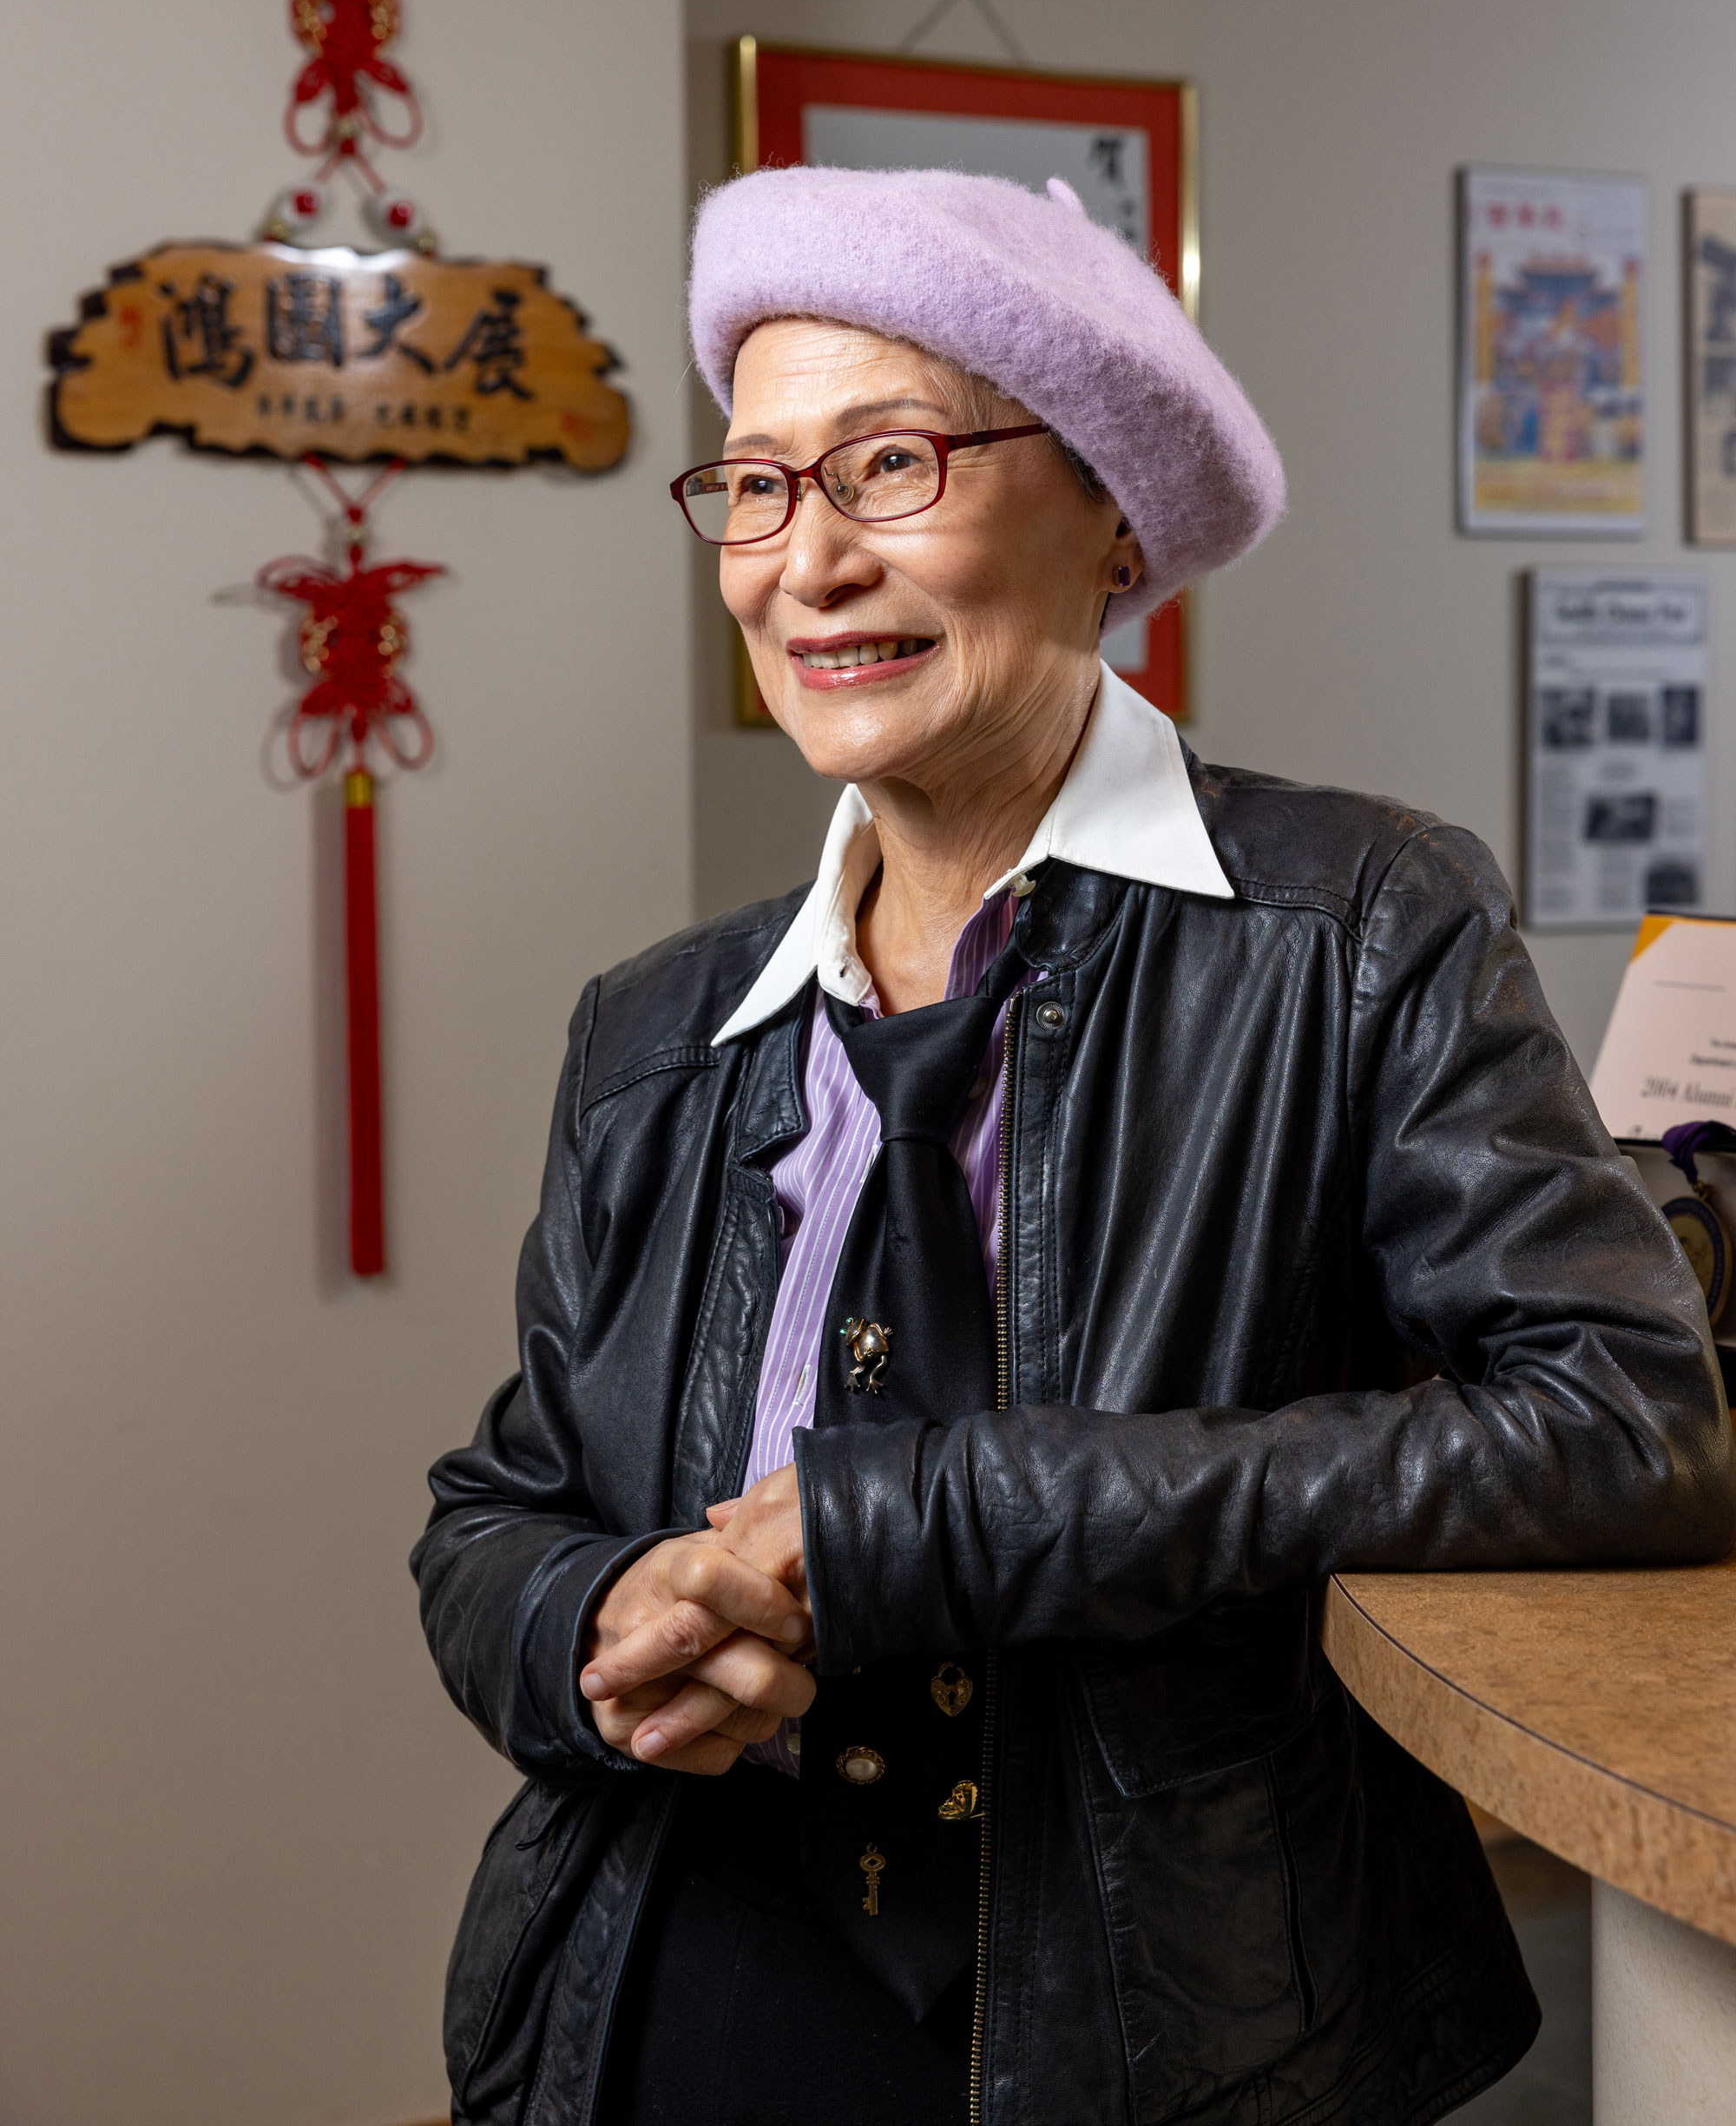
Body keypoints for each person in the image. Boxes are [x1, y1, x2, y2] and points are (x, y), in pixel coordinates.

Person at [412, 167, 1733, 2126]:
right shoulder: (655, 1029)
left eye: (888, 465)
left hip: (1162, 2005)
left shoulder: (1360, 921)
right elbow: (497, 1506)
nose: (808, 559)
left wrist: (941, 1517)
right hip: (671, 1979)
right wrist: (581, 1623)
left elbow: (1627, 1428)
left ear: (1110, 511)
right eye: (756, 488)